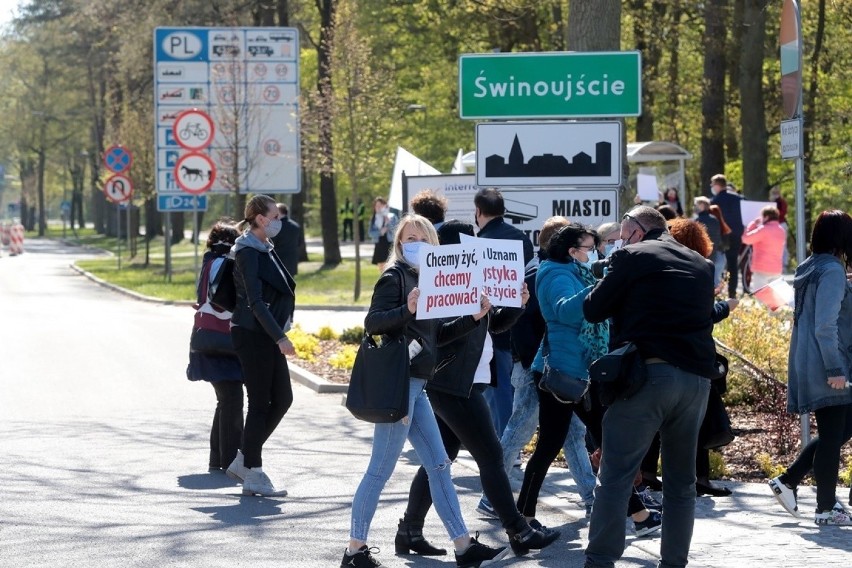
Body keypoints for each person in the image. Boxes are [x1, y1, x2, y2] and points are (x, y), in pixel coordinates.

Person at [342, 214, 508, 568]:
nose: (413, 242)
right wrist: (408, 308)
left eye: (421, 236)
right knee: (379, 471)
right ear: (399, 244)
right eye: (407, 237)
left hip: (418, 386)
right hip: (400, 386)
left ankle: (463, 546)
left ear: (433, 243)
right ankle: (354, 550)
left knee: (439, 464)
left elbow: (436, 337)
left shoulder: (431, 280)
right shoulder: (396, 276)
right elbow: (373, 323)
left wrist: (473, 319)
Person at [397, 220, 559, 561]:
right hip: (453, 385)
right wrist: (473, 317)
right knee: (491, 455)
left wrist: (515, 303)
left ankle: (409, 530)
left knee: (440, 460)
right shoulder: (441, 282)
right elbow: (438, 334)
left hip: (468, 381)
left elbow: (493, 323)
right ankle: (518, 529)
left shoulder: (471, 278)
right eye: (470, 241)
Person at [583, 206, 716, 568]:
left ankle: (599, 561)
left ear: (638, 231)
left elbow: (593, 309)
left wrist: (609, 273)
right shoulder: (702, 264)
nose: (620, 242)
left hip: (647, 377)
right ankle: (674, 563)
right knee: (680, 484)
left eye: (623, 236)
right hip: (695, 384)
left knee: (615, 475)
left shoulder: (631, 255)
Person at [477, 216, 598, 519]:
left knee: (570, 434)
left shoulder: (557, 271)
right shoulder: (538, 274)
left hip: (552, 367)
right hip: (540, 368)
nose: (589, 252)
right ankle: (493, 498)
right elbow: (523, 326)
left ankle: (592, 497)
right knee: (521, 431)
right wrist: (537, 366)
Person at [514, 223, 615, 529]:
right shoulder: (556, 274)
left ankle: (634, 512)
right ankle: (523, 516)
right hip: (563, 373)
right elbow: (564, 311)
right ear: (572, 251)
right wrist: (597, 285)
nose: (595, 253)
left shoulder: (572, 272)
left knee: (606, 437)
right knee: (549, 445)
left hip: (579, 368)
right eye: (589, 248)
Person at [768, 210, 852, 526]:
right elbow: (825, 325)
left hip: (808, 361)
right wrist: (835, 369)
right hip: (829, 364)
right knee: (833, 436)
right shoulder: (831, 270)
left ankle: (789, 480)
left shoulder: (810, 266)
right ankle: (826, 508)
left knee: (839, 430)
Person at [226, 194, 297, 497]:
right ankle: (253, 471)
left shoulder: (265, 247)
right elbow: (255, 301)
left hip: (266, 334)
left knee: (282, 399)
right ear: (260, 219)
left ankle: (244, 458)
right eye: (274, 217)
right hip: (253, 335)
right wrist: (280, 337)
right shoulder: (247, 251)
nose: (279, 221)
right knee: (259, 403)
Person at [667, 218, 739, 497]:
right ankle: (698, 479)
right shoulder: (698, 268)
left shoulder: (665, 268)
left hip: (671, 355)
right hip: (695, 357)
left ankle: (652, 475)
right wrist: (726, 306)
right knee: (697, 421)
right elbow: (703, 316)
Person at [474, 188, 535, 438]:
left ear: (478, 211)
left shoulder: (478, 244)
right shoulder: (522, 239)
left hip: (489, 325)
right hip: (517, 320)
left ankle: (502, 442)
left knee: (495, 390)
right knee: (509, 388)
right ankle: (508, 442)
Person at [186, 221, 244, 473]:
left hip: (206, 338)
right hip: (226, 341)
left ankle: (219, 458)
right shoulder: (227, 265)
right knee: (231, 399)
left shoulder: (208, 263)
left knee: (226, 400)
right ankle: (230, 461)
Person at [710, 174, 744, 298]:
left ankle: (717, 290)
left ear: (718, 185)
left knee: (718, 264)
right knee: (732, 264)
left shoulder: (714, 201)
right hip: (736, 235)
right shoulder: (739, 199)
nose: (711, 187)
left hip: (721, 237)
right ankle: (732, 292)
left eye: (712, 184)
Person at [741, 206, 786, 291]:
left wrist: (752, 224)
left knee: (760, 297)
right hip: (776, 268)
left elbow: (746, 239)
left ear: (767, 217)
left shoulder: (764, 229)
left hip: (761, 268)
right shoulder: (781, 230)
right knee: (774, 298)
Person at [693, 197, 725, 289]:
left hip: (704, 254)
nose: (694, 207)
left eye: (696, 205)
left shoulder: (699, 220)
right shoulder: (714, 220)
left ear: (702, 206)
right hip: (715, 253)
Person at [271, 203, 304, 276]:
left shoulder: (275, 227)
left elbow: (270, 244)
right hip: (292, 262)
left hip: (277, 262)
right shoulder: (295, 226)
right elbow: (300, 243)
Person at [368, 197, 397, 271]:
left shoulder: (392, 216)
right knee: (381, 267)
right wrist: (380, 232)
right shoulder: (374, 219)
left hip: (389, 243)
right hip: (379, 244)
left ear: (385, 205)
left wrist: (388, 222)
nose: (378, 208)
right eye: (376, 206)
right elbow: (370, 233)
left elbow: (396, 230)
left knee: (390, 266)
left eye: (380, 205)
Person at [769, 186, 789, 269]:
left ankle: (784, 263)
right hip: (772, 225)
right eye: (774, 192)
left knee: (783, 245)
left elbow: (783, 212)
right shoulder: (771, 202)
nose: (775, 194)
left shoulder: (781, 202)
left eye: (776, 192)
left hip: (781, 224)